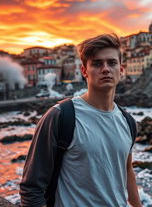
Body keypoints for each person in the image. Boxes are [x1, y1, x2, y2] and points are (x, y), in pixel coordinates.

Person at [19, 34, 142, 207]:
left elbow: (127, 170)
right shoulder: (61, 116)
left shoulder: (128, 122)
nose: (105, 69)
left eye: (112, 63)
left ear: (121, 69)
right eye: (97, 64)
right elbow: (31, 188)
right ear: (84, 71)